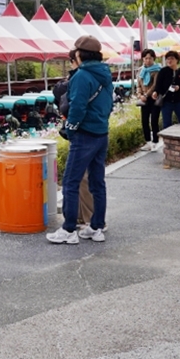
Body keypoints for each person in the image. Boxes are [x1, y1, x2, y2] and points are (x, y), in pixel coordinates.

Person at [47, 35, 113, 245]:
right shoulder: (105, 73)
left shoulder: (82, 75)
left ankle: (68, 230)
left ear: (79, 53)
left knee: (70, 182)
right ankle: (96, 227)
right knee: (97, 183)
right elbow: (109, 104)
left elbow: (77, 107)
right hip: (101, 133)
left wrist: (72, 129)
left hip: (84, 135)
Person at [152, 50, 180, 132]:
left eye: (172, 58)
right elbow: (158, 85)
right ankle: (168, 141)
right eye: (168, 59)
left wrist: (179, 87)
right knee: (166, 123)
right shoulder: (163, 71)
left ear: (177, 60)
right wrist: (155, 92)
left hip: (179, 101)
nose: (169, 60)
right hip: (166, 101)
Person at [136, 49, 162, 145]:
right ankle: (148, 142)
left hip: (154, 98)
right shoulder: (140, 70)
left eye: (150, 58)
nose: (148, 60)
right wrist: (140, 95)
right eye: (146, 58)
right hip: (143, 99)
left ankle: (155, 141)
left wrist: (146, 95)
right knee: (144, 121)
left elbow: (155, 85)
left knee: (154, 120)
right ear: (143, 59)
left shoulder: (157, 70)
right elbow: (138, 85)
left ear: (153, 58)